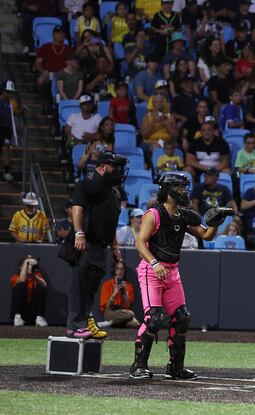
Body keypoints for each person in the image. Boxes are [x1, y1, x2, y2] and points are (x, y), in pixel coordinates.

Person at [129, 173, 232, 379]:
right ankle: (138, 366)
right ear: (168, 191)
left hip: (172, 272)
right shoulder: (154, 214)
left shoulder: (185, 214)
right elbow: (139, 242)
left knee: (182, 317)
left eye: (185, 187)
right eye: (180, 187)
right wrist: (155, 263)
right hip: (151, 271)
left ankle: (175, 367)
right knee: (154, 318)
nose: (185, 191)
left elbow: (205, 235)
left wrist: (216, 222)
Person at [67, 151, 127, 339]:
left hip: (102, 247)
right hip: (86, 243)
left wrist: (115, 247)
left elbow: (111, 223)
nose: (118, 171)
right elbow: (78, 207)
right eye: (115, 166)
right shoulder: (88, 184)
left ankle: (85, 323)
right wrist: (79, 233)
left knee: (91, 289)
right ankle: (74, 326)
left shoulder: (114, 192)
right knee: (80, 286)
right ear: (103, 166)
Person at [99, 260, 139, 328]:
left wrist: (125, 293)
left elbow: (129, 306)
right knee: (131, 314)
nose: (120, 271)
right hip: (110, 312)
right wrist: (114, 294)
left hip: (123, 312)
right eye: (117, 268)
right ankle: (115, 322)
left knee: (135, 323)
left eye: (122, 269)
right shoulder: (107, 284)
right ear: (114, 270)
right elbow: (105, 307)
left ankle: (110, 323)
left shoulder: (128, 285)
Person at [10, 256, 47, 327]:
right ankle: (18, 317)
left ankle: (39, 318)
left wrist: (33, 275)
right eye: (28, 265)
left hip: (33, 310)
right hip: (21, 311)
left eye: (32, 265)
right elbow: (21, 280)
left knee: (41, 287)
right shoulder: (15, 276)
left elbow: (44, 284)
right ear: (21, 267)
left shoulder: (37, 276)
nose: (30, 267)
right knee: (20, 285)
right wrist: (26, 263)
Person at [35, 25, 74, 90]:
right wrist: (43, 71)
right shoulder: (45, 47)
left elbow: (73, 63)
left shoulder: (69, 49)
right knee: (41, 79)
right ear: (53, 34)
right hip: (49, 74)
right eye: (58, 33)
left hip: (63, 74)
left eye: (62, 33)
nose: (60, 35)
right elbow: (38, 63)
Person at [0, 80, 16, 181]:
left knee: (6, 148)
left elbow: (16, 111)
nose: (10, 94)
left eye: (11, 92)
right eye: (8, 92)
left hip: (6, 129)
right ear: (3, 91)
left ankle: (6, 171)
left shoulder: (11, 103)